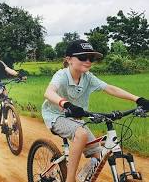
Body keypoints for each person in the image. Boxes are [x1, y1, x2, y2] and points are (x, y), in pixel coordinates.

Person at [41, 39, 149, 182]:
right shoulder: (62, 75)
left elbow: (109, 88)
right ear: (69, 60)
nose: (88, 61)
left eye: (91, 58)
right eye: (82, 57)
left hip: (76, 118)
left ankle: (82, 178)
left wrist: (137, 99)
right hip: (56, 115)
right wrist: (66, 104)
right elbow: (49, 92)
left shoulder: (88, 77)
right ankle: (70, 179)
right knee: (81, 133)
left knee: (99, 157)